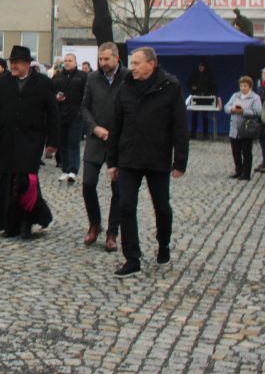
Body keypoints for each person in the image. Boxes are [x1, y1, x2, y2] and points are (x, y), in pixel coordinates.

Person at [106, 47, 188, 278]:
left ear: (151, 64)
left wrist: (179, 161)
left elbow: (179, 126)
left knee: (162, 206)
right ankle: (132, 257)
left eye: (137, 63)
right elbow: (116, 125)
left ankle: (163, 243)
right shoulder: (125, 87)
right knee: (125, 206)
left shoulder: (170, 87)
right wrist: (112, 162)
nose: (132, 67)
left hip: (157, 157)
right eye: (131, 63)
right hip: (129, 158)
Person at [0, 45, 60, 238]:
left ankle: (26, 223)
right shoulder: (2, 82)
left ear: (27, 64)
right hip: (6, 138)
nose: (13, 65)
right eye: (11, 62)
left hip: (31, 140)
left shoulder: (43, 83)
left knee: (26, 181)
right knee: (6, 181)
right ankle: (7, 223)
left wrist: (53, 142)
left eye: (17, 63)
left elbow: (53, 114)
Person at [79, 42, 126, 252]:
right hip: (96, 139)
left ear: (116, 58)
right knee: (88, 183)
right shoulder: (92, 78)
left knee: (119, 188)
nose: (103, 63)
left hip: (119, 141)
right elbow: (84, 108)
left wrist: (116, 132)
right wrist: (95, 128)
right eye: (100, 59)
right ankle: (95, 223)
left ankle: (112, 232)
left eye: (107, 59)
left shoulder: (127, 78)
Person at [52, 52, 86, 183]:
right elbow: (52, 93)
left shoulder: (82, 76)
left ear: (75, 62)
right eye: (65, 61)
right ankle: (65, 170)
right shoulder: (57, 77)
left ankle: (73, 170)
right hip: (61, 115)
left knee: (73, 143)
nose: (67, 63)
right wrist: (56, 97)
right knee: (63, 144)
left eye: (70, 60)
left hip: (76, 115)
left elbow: (86, 95)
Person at [224, 77, 263, 180]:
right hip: (234, 128)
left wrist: (243, 111)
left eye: (245, 86)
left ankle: (246, 173)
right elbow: (226, 107)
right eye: (241, 85)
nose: (243, 88)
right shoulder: (235, 95)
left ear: (250, 86)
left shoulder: (255, 97)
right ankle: (238, 170)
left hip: (246, 128)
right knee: (235, 151)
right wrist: (231, 109)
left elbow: (258, 112)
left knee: (246, 152)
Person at [187, 59, 217, 139]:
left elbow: (213, 86)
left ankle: (205, 134)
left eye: (202, 66)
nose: (201, 68)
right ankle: (193, 133)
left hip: (205, 98)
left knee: (205, 116)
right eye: (200, 66)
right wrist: (192, 87)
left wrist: (211, 93)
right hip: (196, 97)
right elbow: (189, 84)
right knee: (194, 116)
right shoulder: (194, 74)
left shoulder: (209, 75)